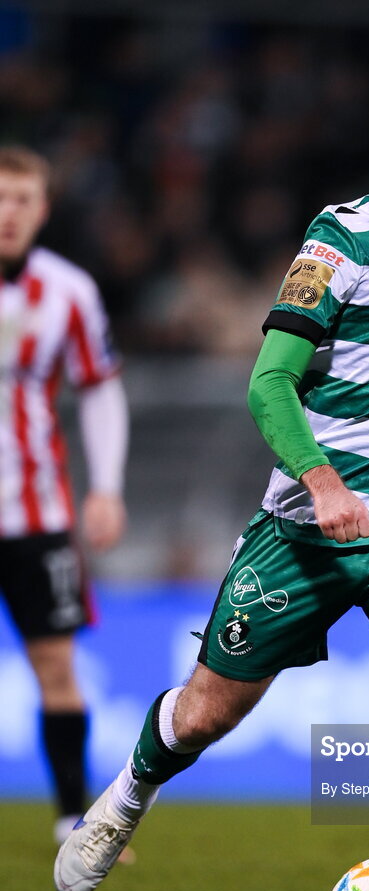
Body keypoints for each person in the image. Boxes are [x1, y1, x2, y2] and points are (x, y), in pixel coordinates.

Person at [55, 60, 369, 891]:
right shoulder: (339, 243)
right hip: (306, 532)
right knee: (204, 715)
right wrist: (323, 483)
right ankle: (126, 796)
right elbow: (269, 384)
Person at [0, 146, 129, 845]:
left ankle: (70, 817)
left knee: (56, 666)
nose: (8, 213)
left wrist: (106, 488)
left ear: (43, 210)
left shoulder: (68, 291)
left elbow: (100, 389)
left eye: (22, 199)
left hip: (36, 515)